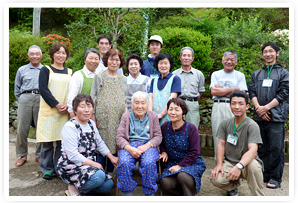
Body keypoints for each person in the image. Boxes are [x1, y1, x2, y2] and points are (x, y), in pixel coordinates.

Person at [57, 94, 118, 196]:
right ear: (75, 110)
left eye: (89, 106)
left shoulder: (91, 123)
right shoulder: (70, 126)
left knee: (108, 185)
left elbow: (99, 143)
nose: (86, 110)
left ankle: (79, 188)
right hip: (72, 166)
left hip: (88, 167)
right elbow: (73, 155)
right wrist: (94, 164)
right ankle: (72, 186)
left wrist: (112, 157)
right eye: (82, 106)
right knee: (99, 176)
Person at [248, 42, 289, 189]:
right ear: (262, 54)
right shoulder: (256, 74)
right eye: (265, 51)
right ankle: (264, 174)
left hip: (276, 117)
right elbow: (251, 91)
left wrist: (267, 108)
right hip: (259, 116)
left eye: (271, 51)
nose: (268, 54)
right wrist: (259, 108)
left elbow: (284, 93)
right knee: (261, 147)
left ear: (277, 53)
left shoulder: (284, 73)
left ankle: (276, 177)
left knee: (276, 148)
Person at [210, 90, 265, 196]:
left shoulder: (252, 125)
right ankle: (234, 185)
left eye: (241, 103)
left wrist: (239, 166)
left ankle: (258, 196)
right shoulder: (225, 123)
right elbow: (221, 144)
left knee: (254, 167)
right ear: (230, 106)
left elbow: (253, 151)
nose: (237, 107)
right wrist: (219, 164)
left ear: (247, 106)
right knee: (215, 178)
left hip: (247, 163)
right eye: (233, 103)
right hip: (230, 162)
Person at [36, 43, 73, 180]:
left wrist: (68, 106)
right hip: (50, 110)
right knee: (47, 142)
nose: (61, 55)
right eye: (58, 52)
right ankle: (46, 168)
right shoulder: (46, 70)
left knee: (61, 143)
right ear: (52, 54)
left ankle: (58, 168)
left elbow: (72, 91)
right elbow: (43, 89)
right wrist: (57, 104)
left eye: (63, 53)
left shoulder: (70, 72)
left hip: (65, 111)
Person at [116, 91, 162, 196]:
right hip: (129, 145)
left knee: (148, 163)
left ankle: (149, 193)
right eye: (136, 103)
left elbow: (158, 136)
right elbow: (119, 137)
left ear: (147, 105)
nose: (140, 106)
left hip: (148, 145)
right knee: (124, 163)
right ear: (132, 105)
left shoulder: (153, 116)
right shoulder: (126, 116)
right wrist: (130, 149)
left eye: (143, 103)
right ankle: (127, 193)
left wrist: (146, 146)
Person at [159, 98, 206, 196]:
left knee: (183, 176)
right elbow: (161, 142)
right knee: (165, 183)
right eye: (170, 109)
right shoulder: (165, 127)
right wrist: (163, 152)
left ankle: (190, 194)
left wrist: (180, 166)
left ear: (183, 113)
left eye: (177, 109)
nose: (173, 112)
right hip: (172, 163)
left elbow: (195, 152)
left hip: (191, 163)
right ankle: (185, 193)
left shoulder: (191, 128)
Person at [90, 48, 127, 173]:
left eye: (117, 60)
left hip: (118, 119)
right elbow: (92, 97)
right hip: (103, 118)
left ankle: (111, 175)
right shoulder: (99, 76)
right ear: (106, 60)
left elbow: (125, 98)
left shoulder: (123, 79)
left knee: (116, 146)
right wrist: (93, 117)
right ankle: (99, 173)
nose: (114, 62)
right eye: (111, 59)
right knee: (101, 146)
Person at [210, 50, 247, 159]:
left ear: (236, 62)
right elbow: (214, 92)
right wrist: (233, 89)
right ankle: (219, 163)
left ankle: (234, 161)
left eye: (232, 60)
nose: (229, 62)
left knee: (235, 133)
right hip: (218, 106)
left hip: (235, 108)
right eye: (227, 59)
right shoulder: (216, 74)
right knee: (218, 133)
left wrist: (222, 90)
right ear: (222, 61)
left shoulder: (240, 75)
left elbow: (242, 95)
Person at [14, 45, 43, 167]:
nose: (35, 56)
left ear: (41, 56)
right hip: (25, 98)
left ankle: (39, 155)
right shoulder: (22, 70)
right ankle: (22, 155)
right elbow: (17, 88)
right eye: (32, 54)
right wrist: (21, 99)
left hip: (41, 99)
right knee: (21, 128)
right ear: (28, 56)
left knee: (41, 128)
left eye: (37, 54)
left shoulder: (46, 70)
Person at [173, 47, 205, 129]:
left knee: (192, 130)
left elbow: (200, 91)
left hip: (193, 105)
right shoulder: (174, 74)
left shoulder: (199, 74)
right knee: (177, 129)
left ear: (192, 58)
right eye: (184, 55)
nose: (186, 58)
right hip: (177, 104)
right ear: (180, 58)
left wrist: (192, 102)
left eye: (189, 56)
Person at [149, 53, 181, 126]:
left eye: (166, 63)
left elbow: (172, 97)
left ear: (170, 65)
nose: (163, 66)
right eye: (160, 63)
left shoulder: (175, 79)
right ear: (157, 65)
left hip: (169, 117)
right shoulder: (154, 80)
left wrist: (161, 114)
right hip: (154, 118)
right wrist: (150, 114)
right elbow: (150, 97)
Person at [67, 48, 100, 119]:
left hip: (97, 115)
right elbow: (72, 97)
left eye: (96, 59)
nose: (93, 61)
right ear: (85, 60)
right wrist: (72, 114)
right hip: (81, 115)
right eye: (90, 58)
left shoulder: (100, 76)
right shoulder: (78, 75)